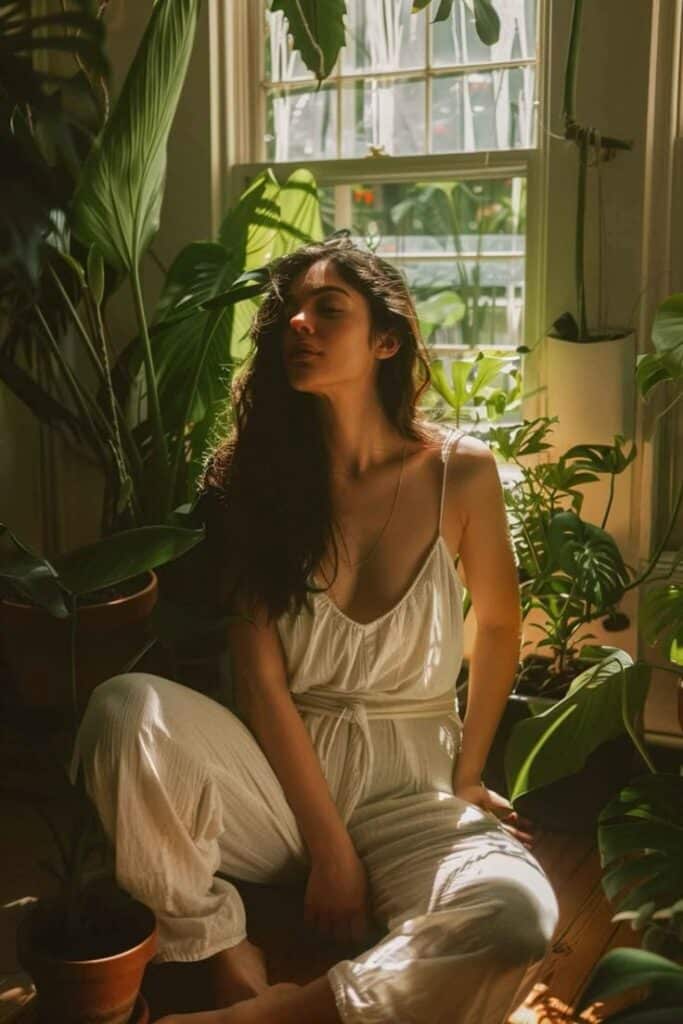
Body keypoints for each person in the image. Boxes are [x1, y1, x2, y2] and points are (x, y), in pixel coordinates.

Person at [70, 236, 559, 1024]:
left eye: (327, 309)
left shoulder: (459, 472)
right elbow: (260, 683)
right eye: (288, 312)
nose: (298, 322)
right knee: (125, 706)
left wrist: (468, 776)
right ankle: (220, 941)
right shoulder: (256, 485)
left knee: (515, 917)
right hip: (276, 788)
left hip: (414, 793)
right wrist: (328, 851)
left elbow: (499, 630)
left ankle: (285, 1014)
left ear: (386, 340)